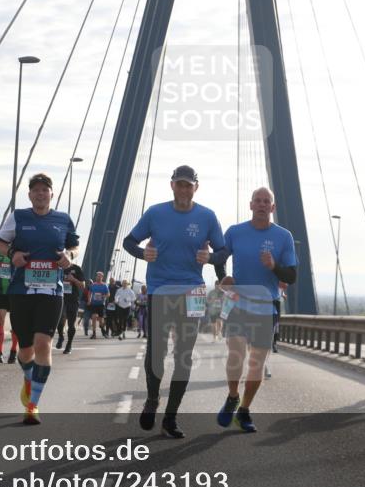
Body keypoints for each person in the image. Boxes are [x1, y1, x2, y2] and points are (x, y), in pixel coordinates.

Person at [123, 165, 225, 438]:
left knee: (184, 355)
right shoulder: (156, 213)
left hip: (193, 292)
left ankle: (171, 417)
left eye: (188, 185)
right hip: (160, 289)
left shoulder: (207, 216)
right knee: (156, 350)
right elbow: (128, 241)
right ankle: (153, 399)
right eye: (179, 184)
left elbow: (224, 250)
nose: (183, 189)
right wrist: (143, 253)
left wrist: (212, 259)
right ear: (172, 186)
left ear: (195, 187)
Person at [0, 173, 79, 425]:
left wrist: (69, 257)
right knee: (25, 349)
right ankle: (28, 378)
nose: (41, 194)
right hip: (21, 291)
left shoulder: (63, 220)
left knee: (44, 344)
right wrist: (12, 253)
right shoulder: (18, 217)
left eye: (45, 190)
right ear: (29, 194)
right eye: (36, 190)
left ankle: (33, 405)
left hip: (51, 292)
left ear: (52, 194)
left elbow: (74, 246)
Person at [212, 187, 296, 433]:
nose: (261, 205)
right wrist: (223, 278)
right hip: (238, 303)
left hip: (265, 307)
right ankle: (232, 395)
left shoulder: (284, 237)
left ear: (272, 208)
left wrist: (274, 266)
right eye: (257, 201)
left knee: (257, 363)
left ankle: (245, 410)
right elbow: (219, 258)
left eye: (266, 201)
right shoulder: (235, 232)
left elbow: (291, 275)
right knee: (236, 354)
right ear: (250, 205)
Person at [0, 252, 19, 364]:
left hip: (15, 292)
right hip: (1, 292)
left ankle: (13, 351)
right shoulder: (0, 253)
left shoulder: (18, 251)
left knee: (16, 323)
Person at [56, 261, 85, 354]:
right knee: (60, 321)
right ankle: (61, 336)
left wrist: (73, 279)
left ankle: (69, 344)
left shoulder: (77, 269)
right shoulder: (57, 266)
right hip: (60, 298)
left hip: (73, 299)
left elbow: (82, 286)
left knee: (71, 324)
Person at [87, 272, 109, 339]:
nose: (98, 277)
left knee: (100, 321)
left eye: (100, 276)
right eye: (97, 276)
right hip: (94, 304)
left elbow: (108, 294)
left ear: (102, 277)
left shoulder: (104, 285)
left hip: (101, 304)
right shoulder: (93, 285)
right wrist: (89, 300)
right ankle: (94, 333)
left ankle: (103, 330)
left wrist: (103, 296)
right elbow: (89, 293)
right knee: (94, 317)